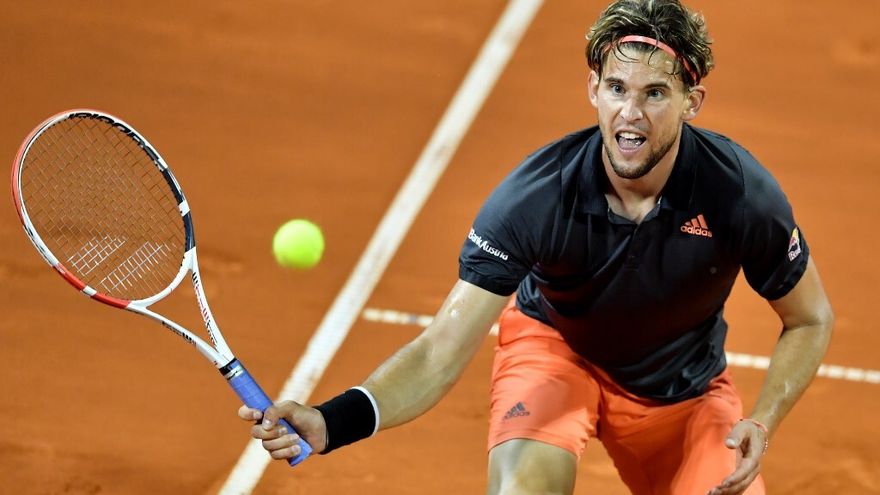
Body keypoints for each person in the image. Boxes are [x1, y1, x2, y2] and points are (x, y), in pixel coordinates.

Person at [240, 1, 834, 493]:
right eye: (617, 88)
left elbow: (809, 319)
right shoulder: (535, 199)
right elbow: (440, 350)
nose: (631, 114)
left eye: (655, 93)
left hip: (680, 386)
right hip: (556, 351)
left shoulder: (740, 196)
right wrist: (330, 421)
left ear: (690, 103)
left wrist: (762, 420)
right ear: (593, 90)